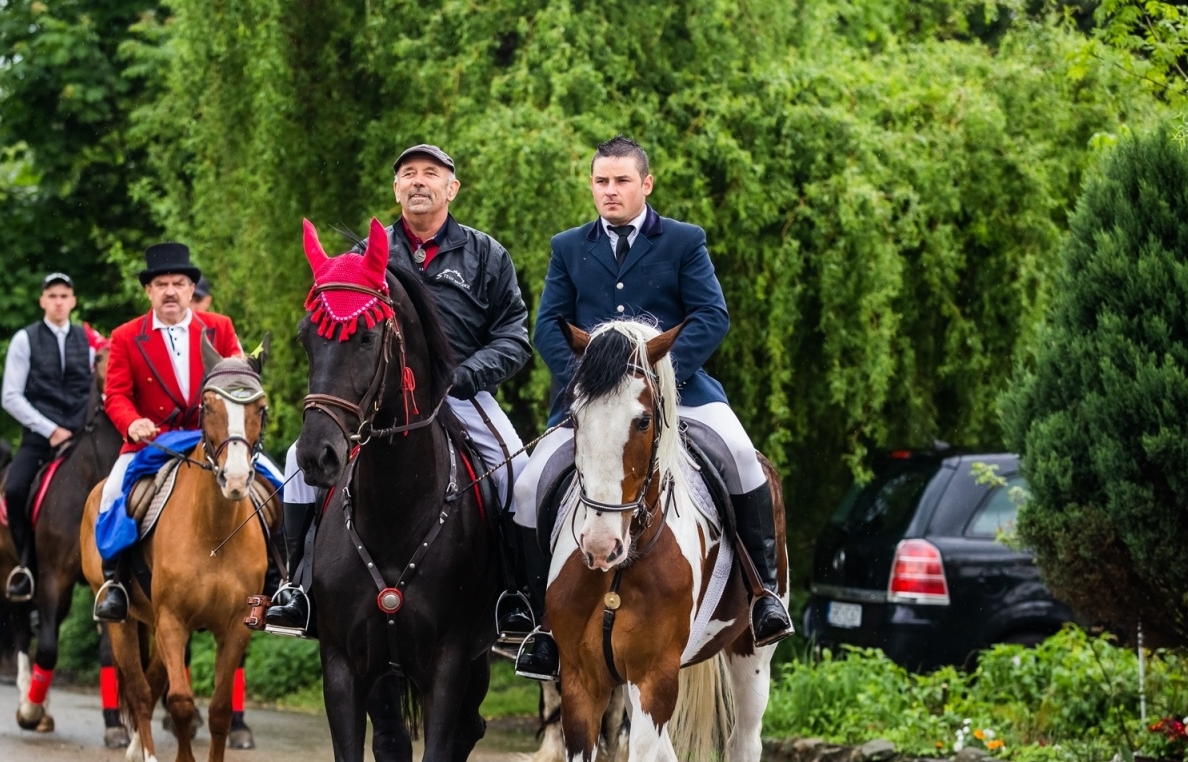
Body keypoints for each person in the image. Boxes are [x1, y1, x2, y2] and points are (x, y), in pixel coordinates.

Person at [512, 135, 794, 680]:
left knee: (739, 456)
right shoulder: (568, 246)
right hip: (595, 405)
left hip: (680, 392)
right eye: (601, 181)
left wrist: (661, 376)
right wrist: (595, 386)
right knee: (527, 485)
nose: (610, 191)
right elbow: (548, 325)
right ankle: (533, 616)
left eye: (621, 181)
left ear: (646, 184)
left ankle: (763, 594)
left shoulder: (684, 241)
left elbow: (712, 316)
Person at [264, 143, 534, 636]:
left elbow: (515, 336)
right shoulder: (361, 257)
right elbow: (335, 329)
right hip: (377, 402)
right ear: (395, 189)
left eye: (430, 173)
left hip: (460, 393)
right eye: (408, 173)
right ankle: (297, 587)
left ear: (451, 188)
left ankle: (517, 597)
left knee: (519, 471)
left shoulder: (486, 254)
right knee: (296, 466)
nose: (417, 181)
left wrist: (464, 375)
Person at [92, 243, 245, 623]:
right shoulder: (126, 336)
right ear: (149, 291)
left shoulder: (220, 328)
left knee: (271, 484)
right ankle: (116, 584)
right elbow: (116, 395)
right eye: (162, 283)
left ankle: (279, 577)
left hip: (210, 440)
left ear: (192, 290)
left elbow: (239, 382)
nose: (171, 291)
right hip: (152, 441)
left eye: (179, 283)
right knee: (114, 493)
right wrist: (132, 423)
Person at [0, 272, 96, 602]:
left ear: (73, 301)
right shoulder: (24, 340)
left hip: (84, 440)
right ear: (42, 300)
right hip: (41, 440)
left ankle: (116, 572)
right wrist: (49, 429)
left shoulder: (89, 340)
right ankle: (25, 564)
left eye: (64, 295)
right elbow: (10, 396)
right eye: (52, 295)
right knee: (13, 490)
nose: (58, 301)